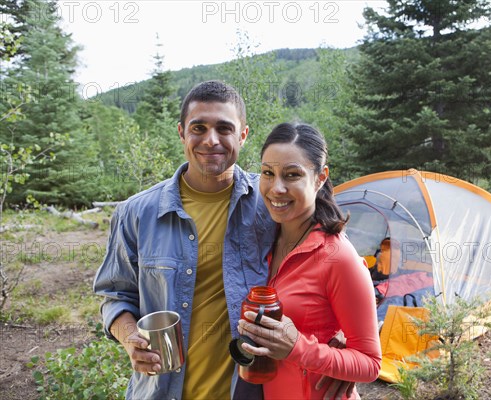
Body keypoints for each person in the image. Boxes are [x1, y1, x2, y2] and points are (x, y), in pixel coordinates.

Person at [93, 81, 358, 400]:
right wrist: (130, 337)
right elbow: (114, 294)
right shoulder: (136, 213)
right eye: (199, 128)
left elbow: (332, 264)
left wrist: (341, 345)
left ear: (243, 135)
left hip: (249, 390)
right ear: (181, 133)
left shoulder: (272, 203)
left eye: (224, 128)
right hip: (160, 390)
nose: (211, 140)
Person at [237, 123, 382, 399]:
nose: (276, 188)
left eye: (292, 175)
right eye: (268, 173)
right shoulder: (262, 239)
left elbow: (370, 363)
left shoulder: (338, 258)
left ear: (320, 178)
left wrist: (298, 349)